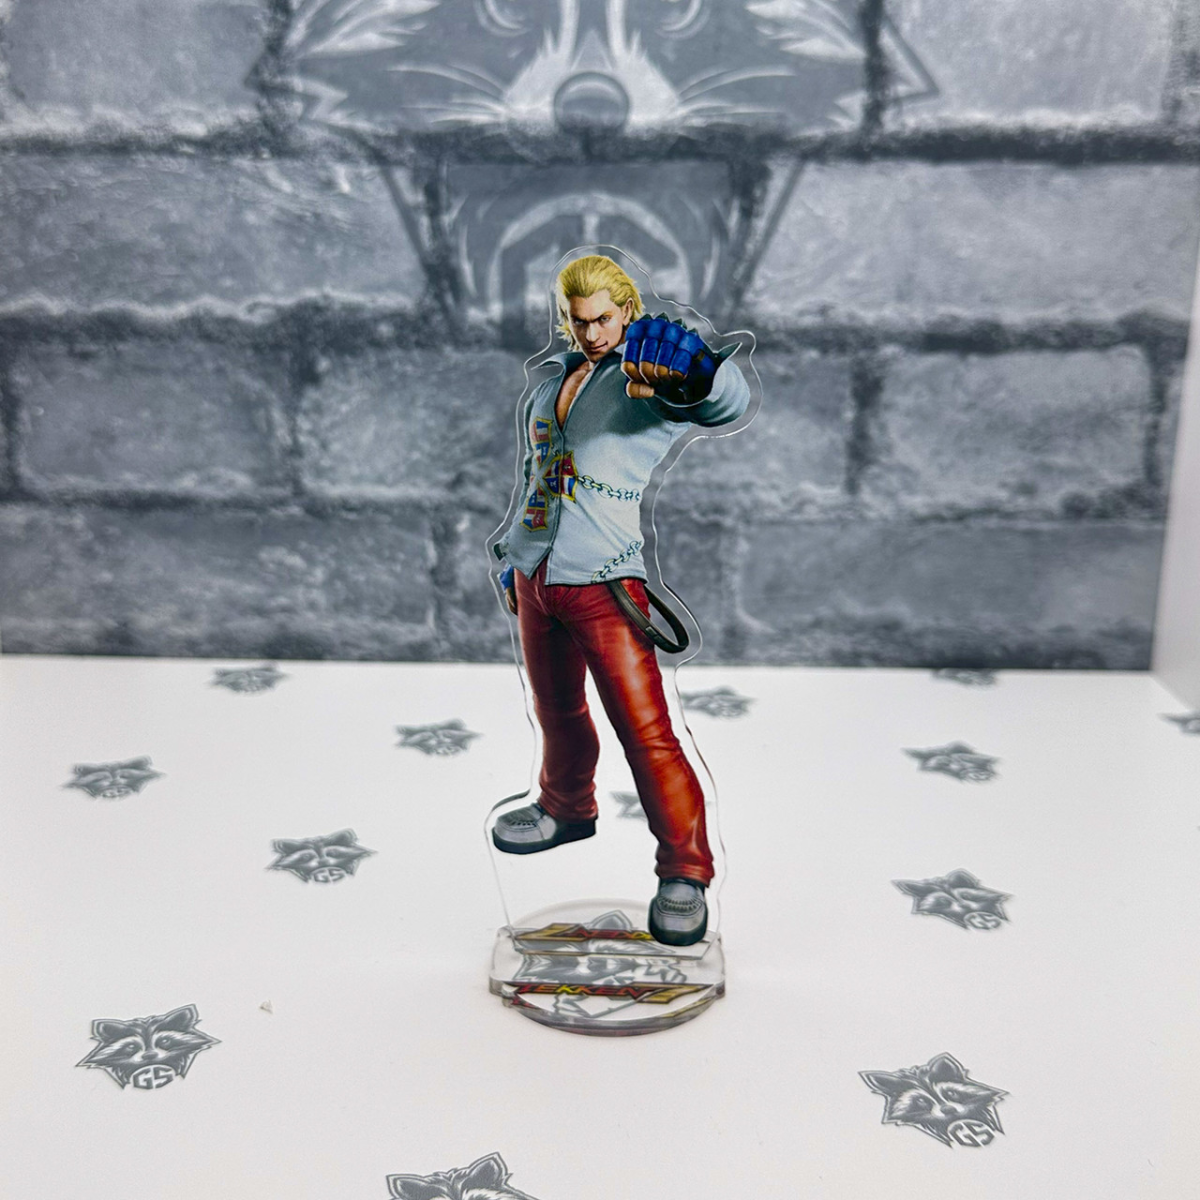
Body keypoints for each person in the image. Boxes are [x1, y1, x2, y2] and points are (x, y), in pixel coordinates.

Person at [491, 254, 750, 946]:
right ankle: (566, 806)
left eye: (604, 318)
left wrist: (701, 373)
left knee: (647, 732)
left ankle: (686, 869)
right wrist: (512, 555)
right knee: (556, 710)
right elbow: (535, 475)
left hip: (605, 581)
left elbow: (719, 403)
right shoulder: (551, 381)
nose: (593, 333)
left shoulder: (644, 376)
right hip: (537, 574)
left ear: (627, 310)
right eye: (580, 321)